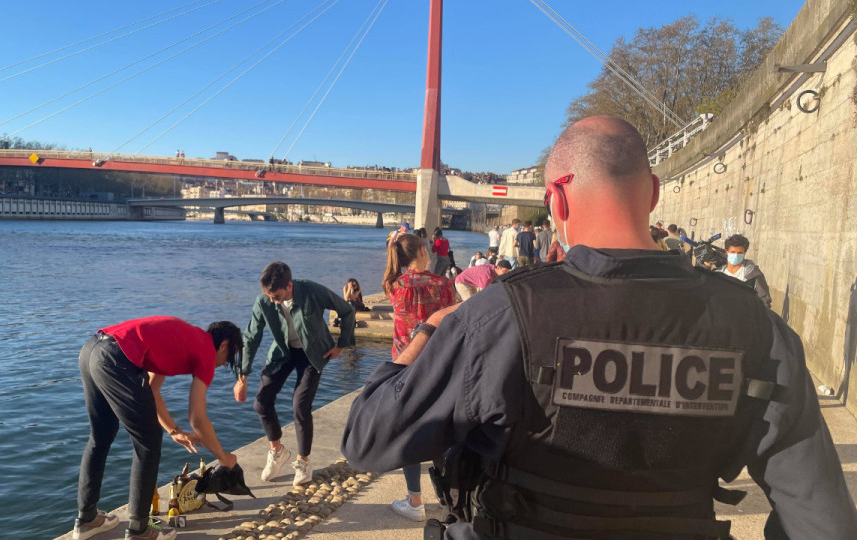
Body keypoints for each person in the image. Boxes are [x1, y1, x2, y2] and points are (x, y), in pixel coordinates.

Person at [342, 116, 857, 540]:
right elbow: (821, 517)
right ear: (652, 193)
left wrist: (429, 333)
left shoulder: (502, 316)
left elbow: (368, 438)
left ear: (556, 201)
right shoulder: (756, 327)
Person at [75, 316, 243, 540]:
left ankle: (87, 519)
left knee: (101, 436)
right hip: (116, 357)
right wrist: (223, 457)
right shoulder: (205, 351)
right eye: (230, 356)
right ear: (223, 345)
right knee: (148, 443)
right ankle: (140, 530)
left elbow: (152, 391)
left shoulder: (184, 339)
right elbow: (197, 418)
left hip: (92, 349)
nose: (224, 363)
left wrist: (174, 431)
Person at [237, 262, 355, 487]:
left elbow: (347, 311)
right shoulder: (264, 301)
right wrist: (242, 377)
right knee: (261, 402)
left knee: (300, 405)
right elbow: (251, 337)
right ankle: (277, 451)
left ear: (289, 286)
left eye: (276, 296)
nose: (272, 301)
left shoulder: (312, 291)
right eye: (268, 296)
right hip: (283, 351)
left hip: (312, 354)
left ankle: (303, 462)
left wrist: (341, 344)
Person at [382, 233, 459, 521]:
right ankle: (450, 497)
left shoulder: (394, 286)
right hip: (439, 364)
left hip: (404, 366)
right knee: (444, 430)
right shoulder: (444, 285)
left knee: (410, 430)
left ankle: (415, 500)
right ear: (424, 251)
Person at [720, 234, 772, 308]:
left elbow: (764, 300)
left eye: (739, 253)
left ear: (744, 253)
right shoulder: (719, 274)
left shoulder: (753, 274)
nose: (736, 255)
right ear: (726, 252)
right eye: (733, 252)